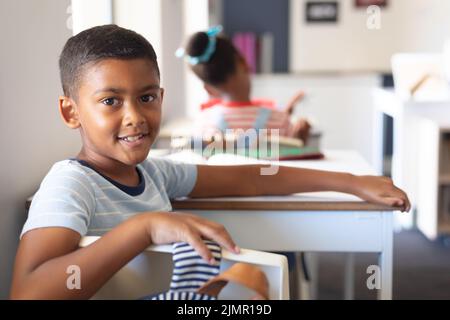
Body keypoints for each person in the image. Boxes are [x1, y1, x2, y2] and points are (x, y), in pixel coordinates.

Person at [11, 25, 410, 299]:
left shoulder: (153, 174)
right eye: (110, 101)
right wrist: (144, 227)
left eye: (146, 97)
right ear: (71, 112)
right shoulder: (70, 184)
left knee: (253, 279)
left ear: (161, 98)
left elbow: (253, 179)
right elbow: (28, 292)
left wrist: (351, 183)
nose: (134, 116)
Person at [176, 26, 311, 144]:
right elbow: (293, 160)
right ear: (244, 63)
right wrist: (299, 141)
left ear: (208, 89)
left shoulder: (203, 123)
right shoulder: (280, 121)